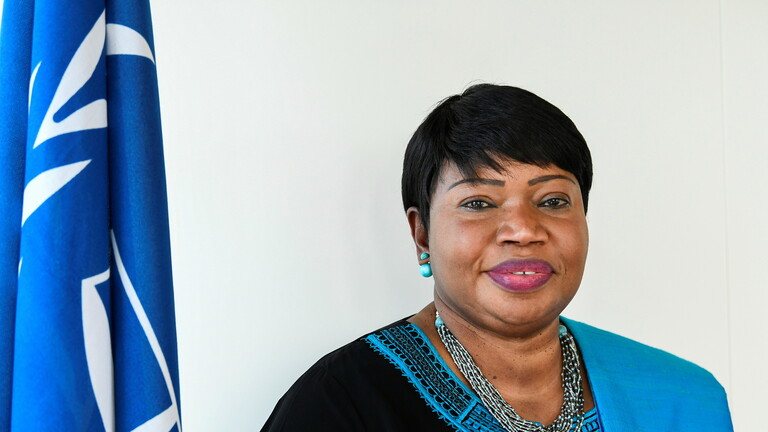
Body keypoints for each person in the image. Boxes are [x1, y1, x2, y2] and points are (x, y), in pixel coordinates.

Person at [261, 84, 733, 431]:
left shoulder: (683, 398)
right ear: (422, 234)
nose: (524, 230)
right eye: (478, 203)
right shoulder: (338, 405)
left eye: (553, 201)